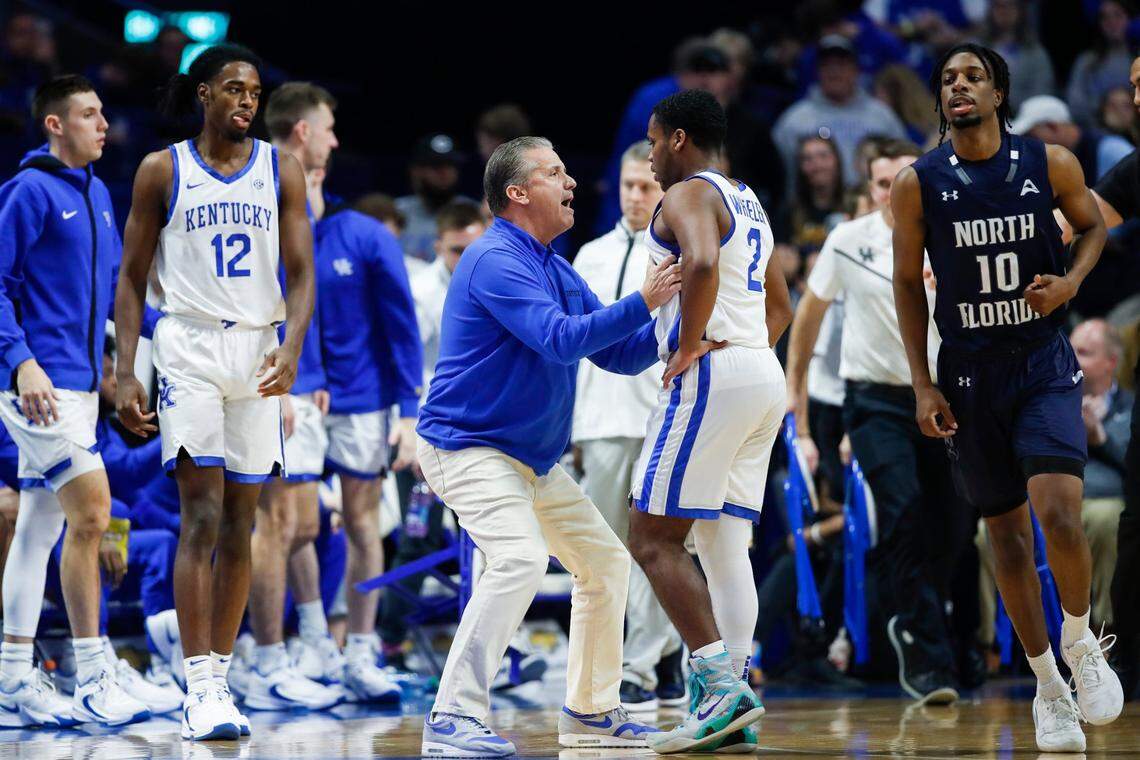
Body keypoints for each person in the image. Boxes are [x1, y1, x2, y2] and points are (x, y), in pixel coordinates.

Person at [891, 43, 1122, 753]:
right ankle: (1048, 687)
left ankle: (1081, 642)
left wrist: (1071, 284)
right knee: (1008, 539)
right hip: (967, 371)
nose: (958, 87)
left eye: (973, 77)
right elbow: (906, 283)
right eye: (948, 81)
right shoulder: (917, 182)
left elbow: (1093, 228)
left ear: (998, 94)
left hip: (1041, 359)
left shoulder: (1048, 164)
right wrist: (923, 381)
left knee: (1059, 513)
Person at [416, 135, 676, 757]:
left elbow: (616, 353)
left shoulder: (554, 266)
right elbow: (561, 340)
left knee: (605, 562)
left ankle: (590, 711)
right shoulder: (493, 259)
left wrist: (679, 325)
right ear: (517, 193)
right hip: (467, 446)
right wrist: (644, 299)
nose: (571, 183)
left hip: (528, 460)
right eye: (555, 173)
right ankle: (451, 716)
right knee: (519, 560)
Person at [113, 44, 315, 741]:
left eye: (255, 93)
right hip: (192, 346)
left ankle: (221, 678)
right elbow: (132, 278)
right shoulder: (160, 169)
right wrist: (125, 370)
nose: (247, 103)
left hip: (257, 348)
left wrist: (291, 349)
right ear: (203, 93)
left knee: (244, 522)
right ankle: (197, 685)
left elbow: (301, 274)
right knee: (200, 512)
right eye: (234, 90)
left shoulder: (279, 168)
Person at [628, 89, 792, 754]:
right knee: (724, 550)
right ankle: (733, 703)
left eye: (652, 139)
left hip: (715, 376)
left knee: (652, 539)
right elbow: (780, 301)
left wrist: (692, 340)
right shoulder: (748, 199)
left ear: (677, 140)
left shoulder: (688, 194)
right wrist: (745, 351)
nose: (646, 153)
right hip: (760, 371)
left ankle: (721, 689)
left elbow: (697, 261)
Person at [787, 138, 965, 703]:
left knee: (955, 525)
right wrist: (799, 404)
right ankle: (925, 649)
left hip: (948, 399)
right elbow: (807, 319)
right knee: (903, 508)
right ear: (870, 191)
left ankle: (927, 627)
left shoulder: (953, 233)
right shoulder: (847, 241)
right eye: (882, 183)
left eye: (902, 180)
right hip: (876, 402)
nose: (893, 192)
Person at [0, 75, 150, 728]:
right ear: (54, 125)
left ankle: (11, 681)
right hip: (38, 390)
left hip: (82, 390)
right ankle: (93, 673)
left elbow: (105, 306)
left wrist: (119, 375)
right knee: (93, 516)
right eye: (88, 115)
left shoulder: (96, 196)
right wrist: (20, 361)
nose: (103, 124)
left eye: (104, 113)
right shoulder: (29, 191)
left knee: (39, 532)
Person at [570, 140, 685, 712]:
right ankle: (638, 659)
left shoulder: (678, 247)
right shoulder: (587, 253)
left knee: (654, 545)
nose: (636, 196)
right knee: (606, 548)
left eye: (646, 186)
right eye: (627, 186)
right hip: (599, 420)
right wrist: (573, 429)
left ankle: (646, 660)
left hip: (660, 414)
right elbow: (571, 342)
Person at [313, 122, 422, 703]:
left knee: (361, 523)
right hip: (292, 395)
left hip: (362, 401)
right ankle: (301, 647)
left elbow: (402, 330)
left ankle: (360, 650)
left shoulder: (365, 236)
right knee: (291, 525)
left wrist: (407, 411)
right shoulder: (273, 230)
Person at [242, 81, 342, 711]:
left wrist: (315, 373)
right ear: (303, 131)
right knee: (275, 523)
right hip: (268, 370)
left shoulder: (302, 188)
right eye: (328, 128)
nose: (335, 139)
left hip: (300, 374)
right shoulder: (263, 183)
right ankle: (265, 660)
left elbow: (306, 291)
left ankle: (301, 642)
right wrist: (274, 370)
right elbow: (254, 286)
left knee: (305, 522)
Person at [1055, 54, 1140, 697]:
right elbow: (1072, 224)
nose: (1137, 98)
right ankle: (1130, 666)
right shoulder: (1136, 169)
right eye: (1133, 87)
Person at [772, 35, 906, 194]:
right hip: (815, 209)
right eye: (827, 65)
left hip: (873, 204)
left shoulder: (882, 117)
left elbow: (903, 166)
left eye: (841, 64)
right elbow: (782, 177)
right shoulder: (794, 120)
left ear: (856, 70)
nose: (834, 71)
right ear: (817, 72)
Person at [1070, 319, 1132, 630]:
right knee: (988, 533)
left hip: (1103, 501)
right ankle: (988, 642)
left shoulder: (1130, 407)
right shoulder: (1053, 403)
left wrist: (1100, 438)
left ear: (1111, 362)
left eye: (1083, 352)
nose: (1073, 358)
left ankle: (1106, 631)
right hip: (1055, 500)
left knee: (1108, 518)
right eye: (1070, 350)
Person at [1011, 95, 1134, 183]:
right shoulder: (1056, 161)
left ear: (1052, 127)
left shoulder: (1112, 149)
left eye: (1031, 137)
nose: (1027, 145)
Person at [397, 134, 471, 264]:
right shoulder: (397, 212)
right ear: (417, 171)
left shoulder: (473, 213)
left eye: (450, 165)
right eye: (436, 166)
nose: (444, 173)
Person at [1066, 0, 1136, 128]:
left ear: (1129, 19)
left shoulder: (1137, 59)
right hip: (1098, 133)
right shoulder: (1086, 61)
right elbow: (1076, 105)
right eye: (1105, 17)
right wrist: (1103, 111)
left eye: (1118, 15)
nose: (1112, 22)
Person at [978, 0, 1056, 112]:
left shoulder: (1036, 53)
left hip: (1024, 121)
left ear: (1021, 10)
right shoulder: (974, 49)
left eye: (1010, 5)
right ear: (990, 10)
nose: (1004, 11)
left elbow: (1041, 96)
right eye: (999, 6)